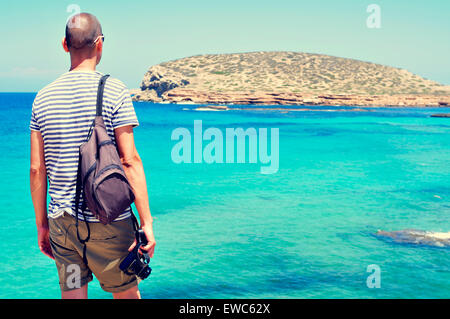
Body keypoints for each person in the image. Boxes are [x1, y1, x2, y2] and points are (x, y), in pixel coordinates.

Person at [29, 12, 156, 299]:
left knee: (73, 294)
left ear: (64, 45)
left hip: (63, 227)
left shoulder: (43, 97)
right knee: (125, 294)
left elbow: (37, 169)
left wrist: (42, 225)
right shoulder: (114, 89)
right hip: (108, 225)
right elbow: (129, 160)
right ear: (100, 44)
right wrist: (146, 221)